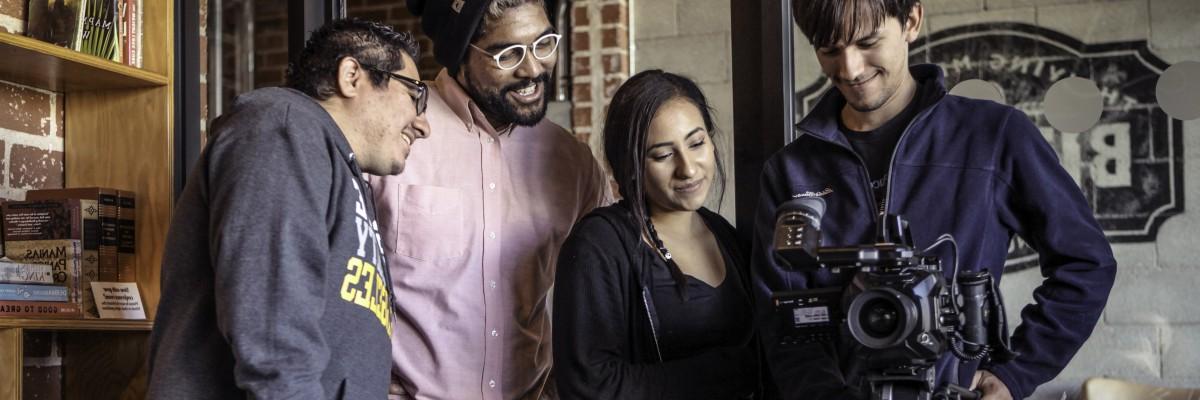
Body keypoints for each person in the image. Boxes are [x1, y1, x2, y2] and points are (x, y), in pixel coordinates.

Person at [751, 1, 1117, 399]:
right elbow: (783, 318)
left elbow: (1086, 263)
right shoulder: (791, 170)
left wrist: (1017, 373)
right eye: (830, 50)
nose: (851, 69)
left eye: (868, 41)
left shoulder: (993, 135)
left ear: (911, 21)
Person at [146, 19, 429, 399]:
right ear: (352, 76)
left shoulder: (335, 167)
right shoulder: (283, 126)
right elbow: (274, 336)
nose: (422, 124)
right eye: (414, 95)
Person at [368, 0, 612, 399]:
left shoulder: (573, 163)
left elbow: (603, 303)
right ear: (461, 54)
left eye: (544, 44)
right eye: (508, 53)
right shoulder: (394, 132)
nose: (533, 69)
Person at [553, 70, 758, 399]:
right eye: (663, 155)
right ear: (631, 165)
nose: (688, 168)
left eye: (696, 143)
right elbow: (587, 383)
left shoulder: (725, 235)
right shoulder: (600, 244)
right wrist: (726, 372)